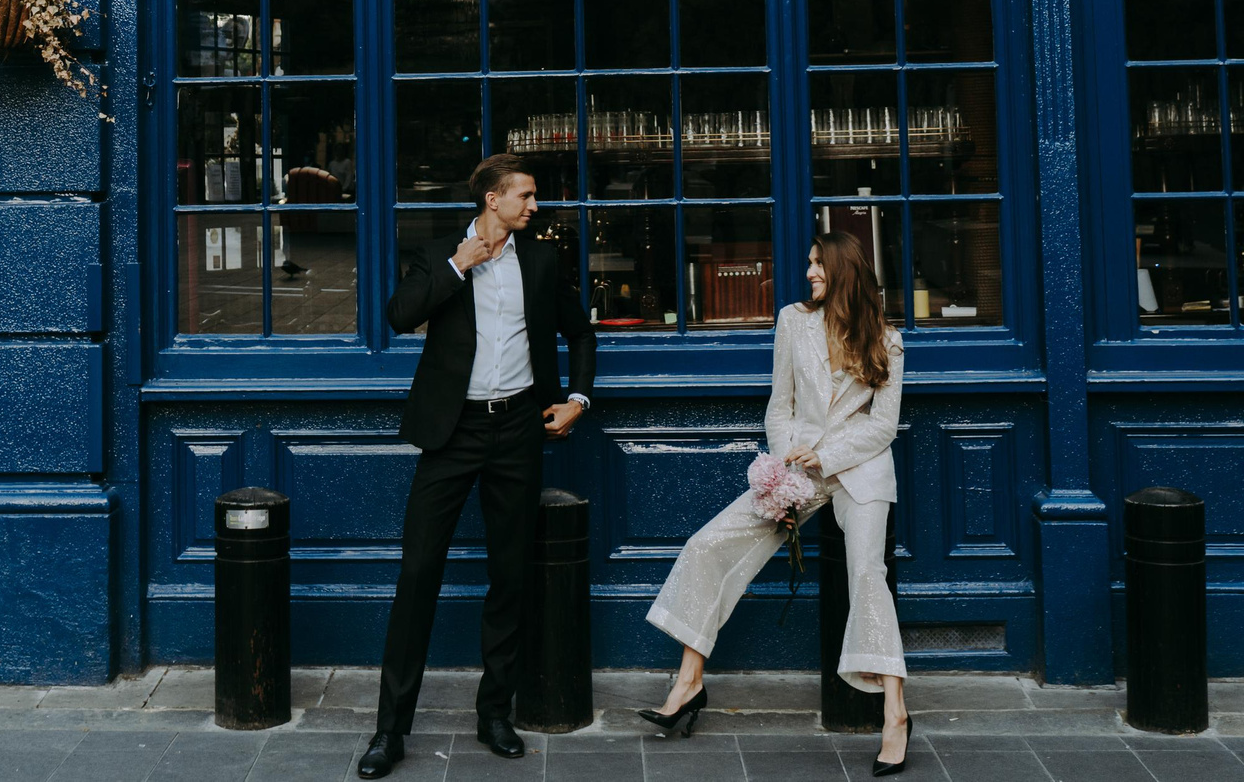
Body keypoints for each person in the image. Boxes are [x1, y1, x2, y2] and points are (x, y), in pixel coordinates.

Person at [357, 156, 596, 780]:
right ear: (493, 199)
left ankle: (495, 715)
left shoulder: (542, 262)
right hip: (451, 432)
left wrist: (577, 399)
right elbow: (398, 314)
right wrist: (460, 264)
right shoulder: (438, 252)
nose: (534, 205)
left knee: (510, 573)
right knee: (417, 575)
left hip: (517, 428)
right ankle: (390, 730)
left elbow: (582, 333)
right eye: (526, 195)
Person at [640, 228, 911, 772]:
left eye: (818, 264)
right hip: (795, 470)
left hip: (859, 472)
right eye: (810, 263)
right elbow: (779, 403)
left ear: (845, 272)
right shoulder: (794, 321)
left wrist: (825, 455)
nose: (809, 272)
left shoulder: (887, 339)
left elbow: (882, 427)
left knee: (866, 574)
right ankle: (689, 682)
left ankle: (896, 714)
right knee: (708, 543)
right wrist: (787, 462)